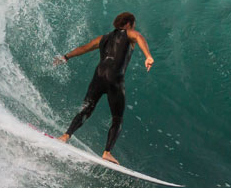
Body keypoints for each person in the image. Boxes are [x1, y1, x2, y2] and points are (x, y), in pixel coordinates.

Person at [52, 12, 154, 164]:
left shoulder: (103, 37)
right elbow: (139, 37)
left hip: (98, 76)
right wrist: (148, 56)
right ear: (127, 24)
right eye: (133, 24)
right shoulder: (129, 33)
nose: (134, 27)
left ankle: (65, 136)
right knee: (117, 118)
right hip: (115, 78)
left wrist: (66, 57)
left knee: (86, 109)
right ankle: (107, 152)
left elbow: (84, 48)